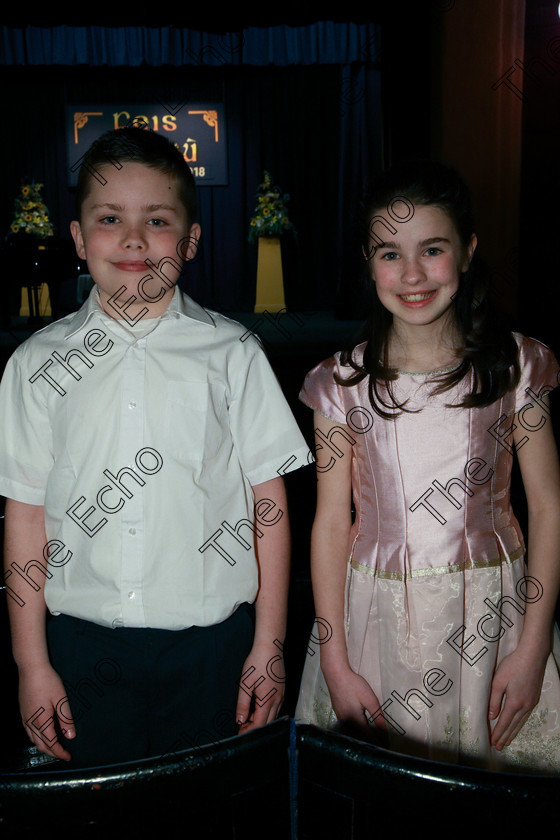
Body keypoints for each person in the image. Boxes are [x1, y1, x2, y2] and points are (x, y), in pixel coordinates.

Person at [0, 126, 311, 768]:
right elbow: (26, 515)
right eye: (111, 219)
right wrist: (32, 663)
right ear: (80, 237)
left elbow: (268, 504)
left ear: (191, 241)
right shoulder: (34, 366)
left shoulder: (235, 354)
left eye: (159, 220)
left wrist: (269, 643)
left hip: (213, 649)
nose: (135, 240)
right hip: (82, 648)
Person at [296, 159, 560, 773]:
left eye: (432, 249)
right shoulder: (339, 384)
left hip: (490, 615)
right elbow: (332, 524)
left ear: (466, 252)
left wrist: (533, 645)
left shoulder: (516, 367)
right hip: (374, 622)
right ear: (367, 260)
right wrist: (335, 661)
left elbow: (547, 505)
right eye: (389, 253)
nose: (412, 274)